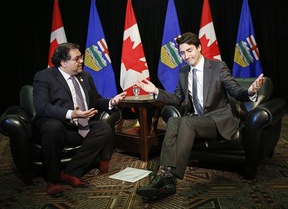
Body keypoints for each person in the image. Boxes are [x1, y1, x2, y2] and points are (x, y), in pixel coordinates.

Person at [135, 32, 264, 201]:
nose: (186, 56)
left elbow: (235, 91)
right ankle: (165, 173)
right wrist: (156, 92)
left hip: (218, 120)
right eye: (182, 53)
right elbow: (177, 99)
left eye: (189, 50)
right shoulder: (183, 72)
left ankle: (171, 177)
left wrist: (250, 91)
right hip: (198, 120)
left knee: (187, 122)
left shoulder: (218, 67)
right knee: (174, 120)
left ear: (199, 47)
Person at [32, 42, 127, 198]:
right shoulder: (44, 76)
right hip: (55, 125)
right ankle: (54, 180)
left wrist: (111, 102)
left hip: (78, 126)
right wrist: (71, 114)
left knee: (104, 129)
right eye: (77, 59)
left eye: (81, 57)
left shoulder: (85, 76)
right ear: (63, 62)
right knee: (53, 127)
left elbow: (96, 100)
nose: (81, 61)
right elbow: (42, 107)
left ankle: (71, 172)